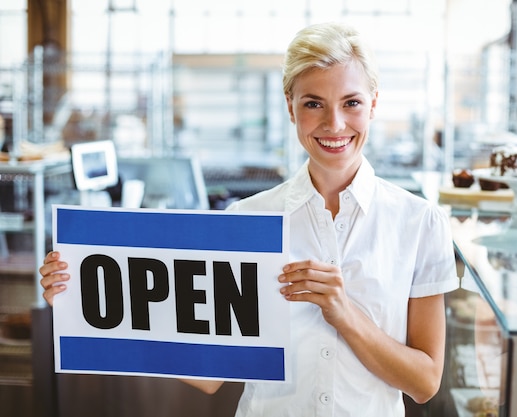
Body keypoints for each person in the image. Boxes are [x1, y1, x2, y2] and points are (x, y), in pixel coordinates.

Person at [39, 22, 458, 417]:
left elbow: (423, 382)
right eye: (313, 103)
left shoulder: (419, 223)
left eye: (351, 103)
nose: (335, 124)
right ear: (291, 108)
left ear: (373, 105)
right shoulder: (247, 220)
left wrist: (343, 312)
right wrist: (80, 304)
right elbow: (210, 377)